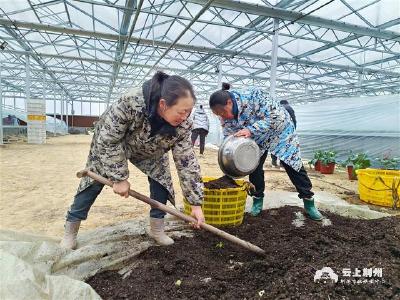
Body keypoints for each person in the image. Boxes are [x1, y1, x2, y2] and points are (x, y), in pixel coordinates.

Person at [60, 71, 205, 250]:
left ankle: (157, 229)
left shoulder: (183, 124)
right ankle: (70, 231)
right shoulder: (130, 102)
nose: (185, 118)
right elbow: (108, 140)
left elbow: (187, 162)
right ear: (163, 104)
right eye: (181, 112)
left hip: (151, 149)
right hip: (113, 143)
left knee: (162, 182)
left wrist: (196, 204)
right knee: (93, 181)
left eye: (188, 112)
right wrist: (119, 178)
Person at [209, 83, 323, 221]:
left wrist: (250, 129)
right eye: (218, 115)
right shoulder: (224, 115)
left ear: (229, 102)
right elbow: (229, 133)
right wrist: (229, 151)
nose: (222, 117)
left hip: (280, 132)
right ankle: (257, 200)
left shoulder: (254, 95)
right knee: (254, 167)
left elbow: (277, 117)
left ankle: (308, 201)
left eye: (222, 113)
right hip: (255, 137)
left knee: (293, 165)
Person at [271, 99, 297, 168]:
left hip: (276, 130)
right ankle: (282, 164)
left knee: (274, 146)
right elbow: (293, 120)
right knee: (284, 147)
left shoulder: (277, 108)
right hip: (286, 131)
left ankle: (273, 162)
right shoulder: (290, 108)